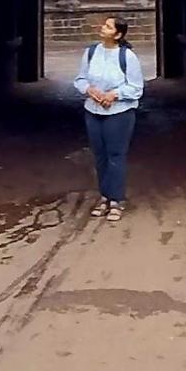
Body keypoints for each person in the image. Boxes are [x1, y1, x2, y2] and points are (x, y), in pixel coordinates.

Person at [73, 13, 143, 222]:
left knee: (116, 155)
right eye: (104, 25)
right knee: (100, 155)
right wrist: (90, 90)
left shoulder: (127, 57)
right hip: (93, 110)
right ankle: (104, 196)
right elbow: (80, 79)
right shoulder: (91, 52)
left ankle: (116, 200)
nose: (102, 28)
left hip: (119, 113)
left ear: (118, 34)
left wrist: (114, 95)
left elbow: (136, 87)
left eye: (108, 26)